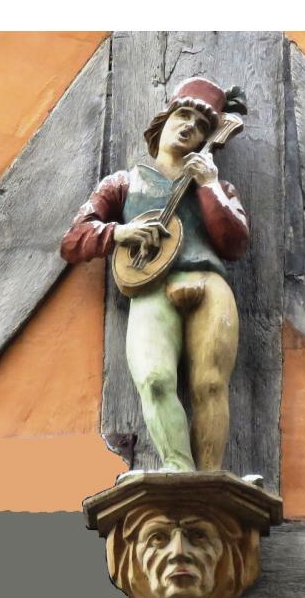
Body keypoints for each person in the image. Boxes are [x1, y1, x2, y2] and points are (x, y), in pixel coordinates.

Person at [60, 77, 249, 473]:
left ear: (206, 140)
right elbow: (74, 239)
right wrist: (120, 232)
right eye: (184, 115)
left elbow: (235, 242)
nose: (189, 127)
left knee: (210, 384)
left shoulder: (218, 186)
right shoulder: (124, 183)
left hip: (208, 284)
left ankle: (210, 476)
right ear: (163, 121)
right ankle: (178, 467)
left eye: (201, 126)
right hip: (152, 287)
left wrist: (208, 184)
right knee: (155, 378)